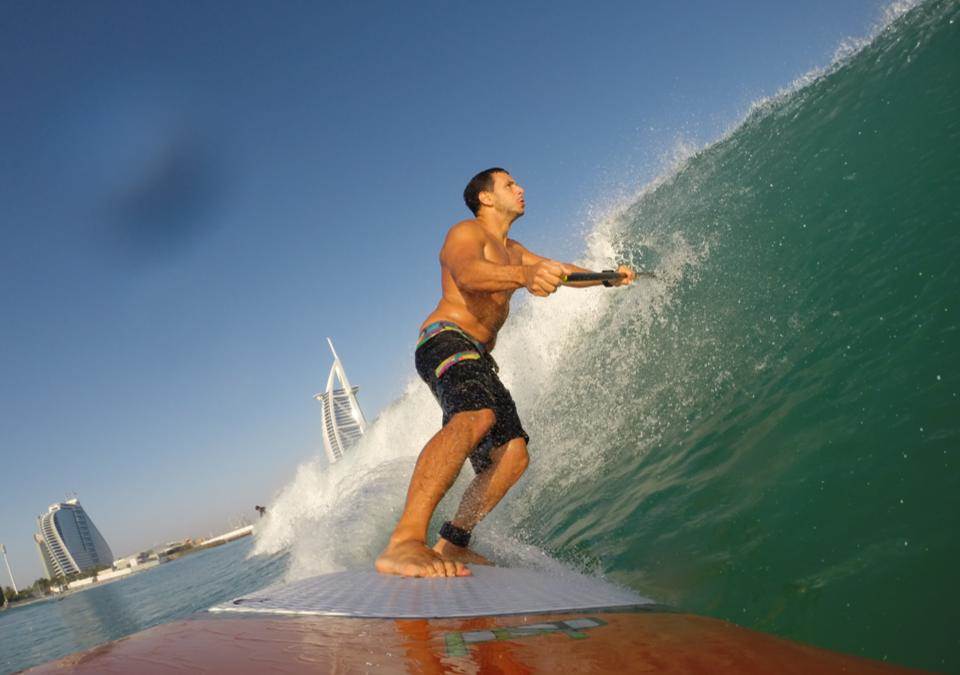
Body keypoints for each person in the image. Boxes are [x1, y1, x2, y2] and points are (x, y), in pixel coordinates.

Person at [375, 168, 635, 578]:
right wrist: (524, 276)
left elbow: (560, 270)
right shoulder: (466, 233)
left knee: (513, 456)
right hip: (444, 340)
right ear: (486, 198)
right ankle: (404, 542)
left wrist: (608, 278)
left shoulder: (514, 249)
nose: (520, 188)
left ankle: (453, 542)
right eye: (509, 185)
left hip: (478, 356)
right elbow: (468, 273)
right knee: (474, 416)